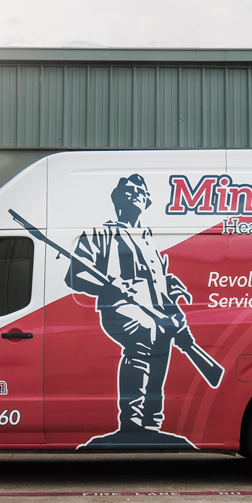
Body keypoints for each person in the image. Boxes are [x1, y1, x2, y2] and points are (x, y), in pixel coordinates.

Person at [66, 174, 197, 449]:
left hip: (155, 311)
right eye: (127, 189)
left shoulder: (148, 239)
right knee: (146, 336)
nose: (134, 193)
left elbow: (157, 282)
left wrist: (173, 289)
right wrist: (109, 287)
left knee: (162, 345)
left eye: (140, 190)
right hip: (120, 309)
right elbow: (75, 276)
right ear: (116, 198)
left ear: (147, 201)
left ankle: (151, 424)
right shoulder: (101, 233)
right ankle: (131, 422)